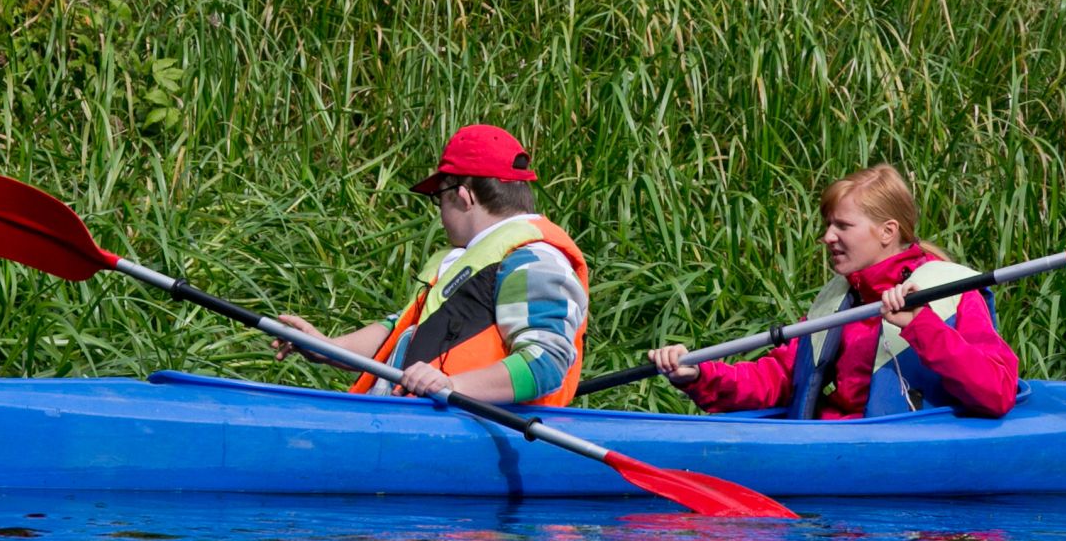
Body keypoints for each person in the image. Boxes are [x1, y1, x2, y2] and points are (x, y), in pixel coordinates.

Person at [649, 165, 1018, 419]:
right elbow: (779, 379)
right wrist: (699, 375)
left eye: (842, 225)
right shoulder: (841, 299)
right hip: (839, 444)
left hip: (907, 457)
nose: (827, 237)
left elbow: (997, 393)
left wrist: (922, 326)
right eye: (828, 225)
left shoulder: (953, 292)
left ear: (887, 231)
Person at [273, 124, 590, 405]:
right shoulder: (464, 261)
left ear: (463, 195)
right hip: (408, 422)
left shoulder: (532, 260)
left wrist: (452, 385)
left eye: (439, 198)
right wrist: (327, 347)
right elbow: (399, 331)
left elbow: (545, 362)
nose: (439, 214)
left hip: (459, 433)